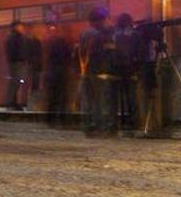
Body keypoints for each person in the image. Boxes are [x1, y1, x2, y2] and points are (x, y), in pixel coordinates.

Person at [78, 7, 117, 136]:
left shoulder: (84, 34)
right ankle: (102, 127)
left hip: (86, 71)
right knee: (102, 101)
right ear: (101, 20)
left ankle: (89, 127)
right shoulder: (102, 35)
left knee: (89, 101)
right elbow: (109, 53)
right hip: (101, 71)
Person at [112, 13, 142, 130]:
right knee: (131, 97)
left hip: (121, 69)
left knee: (124, 97)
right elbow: (139, 53)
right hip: (130, 69)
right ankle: (134, 122)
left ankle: (127, 121)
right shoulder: (135, 35)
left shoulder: (118, 36)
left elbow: (116, 53)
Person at [43, 22, 72, 126]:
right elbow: (68, 56)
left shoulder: (48, 42)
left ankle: (50, 119)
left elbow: (48, 57)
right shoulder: (62, 42)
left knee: (52, 96)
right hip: (61, 71)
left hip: (52, 71)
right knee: (61, 96)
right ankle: (61, 119)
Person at [4, 21, 29, 110]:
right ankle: (10, 103)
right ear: (15, 27)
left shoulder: (17, 37)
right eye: (20, 26)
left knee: (16, 82)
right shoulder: (14, 37)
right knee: (15, 82)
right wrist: (19, 59)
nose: (22, 28)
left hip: (17, 62)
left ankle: (12, 103)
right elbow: (13, 51)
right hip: (16, 63)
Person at [26, 24, 44, 96]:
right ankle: (34, 97)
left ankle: (33, 97)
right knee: (35, 80)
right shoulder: (33, 41)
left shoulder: (34, 40)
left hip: (35, 63)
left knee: (35, 80)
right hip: (35, 63)